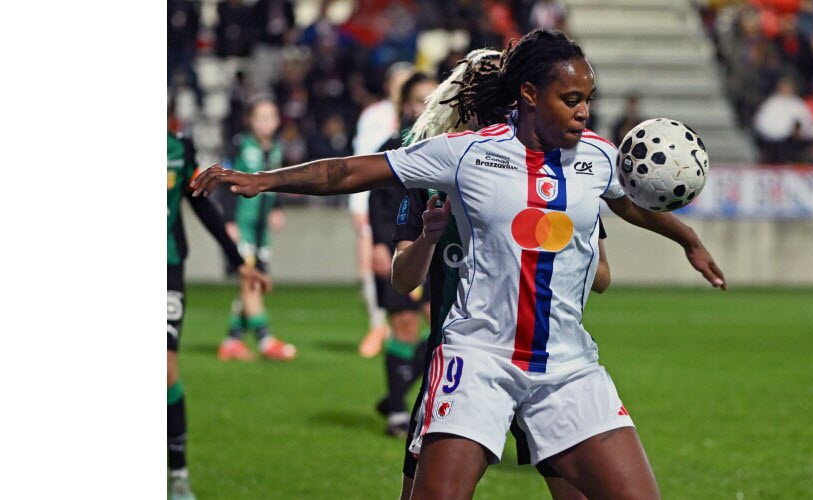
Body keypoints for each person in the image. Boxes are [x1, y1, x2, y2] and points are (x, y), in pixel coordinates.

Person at [192, 29, 726, 500]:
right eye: (571, 99)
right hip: (478, 359)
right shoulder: (466, 152)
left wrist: (687, 238)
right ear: (529, 94)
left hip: (567, 367)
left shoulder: (597, 156)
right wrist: (266, 180)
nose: (584, 111)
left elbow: (630, 202)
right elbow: (350, 171)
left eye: (588, 98)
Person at [390, 48, 610, 500]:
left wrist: (543, 238)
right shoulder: (435, 172)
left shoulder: (556, 174)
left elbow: (601, 272)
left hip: (543, 360)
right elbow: (402, 278)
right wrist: (430, 239)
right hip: (463, 361)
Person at [167, 129, 271, 500]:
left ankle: (177, 473)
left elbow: (198, 202)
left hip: (167, 267)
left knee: (165, 371)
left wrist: (237, 260)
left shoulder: (179, 146)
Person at [369, 72, 439, 437]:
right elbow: (377, 200)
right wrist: (380, 244)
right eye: (418, 99)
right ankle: (397, 410)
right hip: (399, 249)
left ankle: (397, 392)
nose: (425, 106)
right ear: (405, 105)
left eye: (433, 98)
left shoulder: (449, 147)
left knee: (442, 325)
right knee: (405, 325)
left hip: (437, 252)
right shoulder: (393, 147)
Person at [217, 97, 297, 361]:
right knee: (251, 279)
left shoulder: (276, 147)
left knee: (256, 283)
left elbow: (279, 182)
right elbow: (224, 182)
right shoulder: (241, 145)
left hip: (262, 230)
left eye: (270, 117)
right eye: (260, 117)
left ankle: (232, 340)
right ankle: (265, 339)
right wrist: (228, 221)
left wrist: (277, 208)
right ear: (250, 120)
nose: (266, 123)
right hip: (242, 225)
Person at [351, 62, 414, 358]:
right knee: (374, 265)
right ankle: (377, 324)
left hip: (411, 209)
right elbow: (363, 161)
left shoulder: (429, 118)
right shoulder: (375, 116)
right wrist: (360, 205)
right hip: (378, 203)